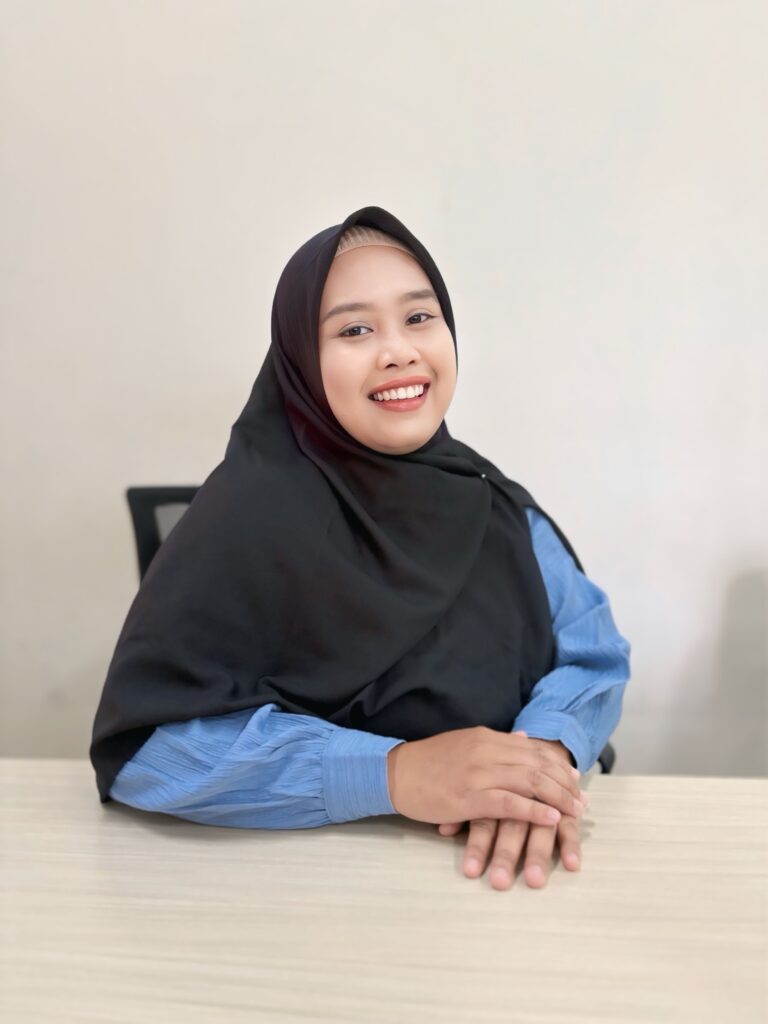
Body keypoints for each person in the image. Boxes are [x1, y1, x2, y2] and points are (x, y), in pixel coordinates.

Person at [90, 207, 631, 891]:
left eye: (419, 317)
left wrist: (536, 762)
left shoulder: (491, 501)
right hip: (308, 891)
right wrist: (393, 775)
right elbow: (145, 753)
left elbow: (594, 654)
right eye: (354, 329)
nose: (399, 350)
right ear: (299, 360)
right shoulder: (242, 519)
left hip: (501, 884)